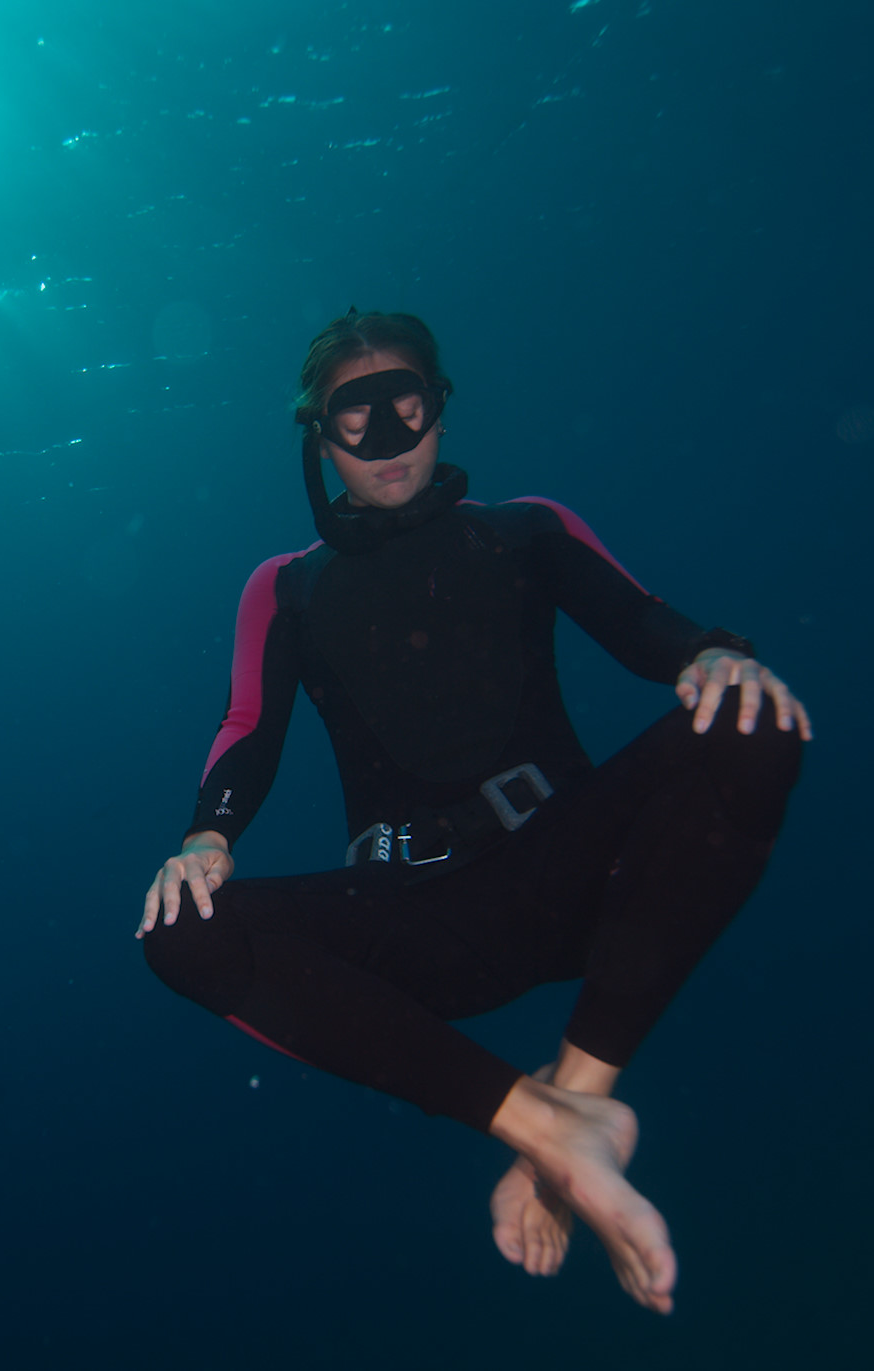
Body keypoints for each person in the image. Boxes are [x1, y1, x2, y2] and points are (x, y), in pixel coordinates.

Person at [136, 310, 809, 1315]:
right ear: (319, 438)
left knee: (753, 721)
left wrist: (709, 654)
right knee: (182, 933)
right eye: (353, 417)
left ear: (440, 410)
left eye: (404, 404)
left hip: (575, 875)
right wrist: (206, 836)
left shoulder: (526, 529)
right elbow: (248, 725)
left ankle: (576, 1106)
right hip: (412, 921)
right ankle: (546, 1127)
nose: (385, 436)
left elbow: (641, 619)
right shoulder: (286, 588)